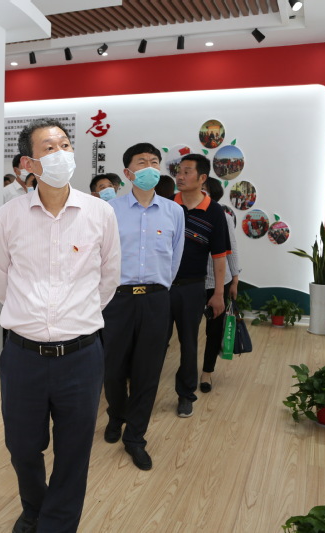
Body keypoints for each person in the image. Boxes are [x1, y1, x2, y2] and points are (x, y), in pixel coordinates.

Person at [0, 118, 120, 533]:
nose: (61, 153)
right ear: (29, 162)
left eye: (65, 145)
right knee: (22, 447)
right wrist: (32, 318)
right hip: (23, 354)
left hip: (81, 355)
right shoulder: (8, 216)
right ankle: (35, 508)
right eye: (49, 148)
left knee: (74, 450)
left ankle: (56, 525)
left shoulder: (100, 213)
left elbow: (108, 280)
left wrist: (75, 318)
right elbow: (2, 282)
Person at [101, 143, 184, 471]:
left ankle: (135, 436)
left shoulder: (174, 211)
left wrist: (158, 288)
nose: (149, 167)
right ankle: (116, 414)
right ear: (128, 172)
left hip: (155, 299)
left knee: (147, 372)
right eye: (141, 162)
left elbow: (174, 258)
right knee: (112, 368)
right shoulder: (110, 210)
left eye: (154, 162)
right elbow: (101, 256)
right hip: (117, 299)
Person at [169, 154, 230, 418]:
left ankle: (186, 395)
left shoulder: (215, 212)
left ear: (202, 178)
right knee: (153, 343)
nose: (180, 176)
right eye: (178, 171)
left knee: (188, 343)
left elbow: (219, 257)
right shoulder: (166, 204)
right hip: (161, 286)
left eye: (187, 172)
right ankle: (142, 395)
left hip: (192, 287)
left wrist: (218, 293)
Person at [200, 177, 240, 393]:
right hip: (191, 281)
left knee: (214, 330)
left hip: (216, 282)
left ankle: (207, 372)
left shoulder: (223, 216)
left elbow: (231, 249)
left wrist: (235, 280)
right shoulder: (184, 212)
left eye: (204, 188)